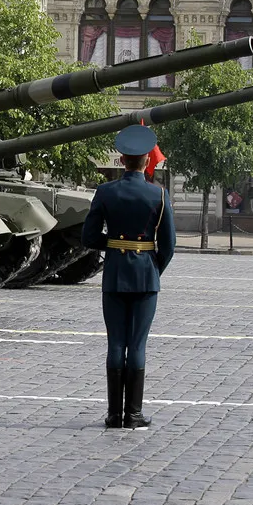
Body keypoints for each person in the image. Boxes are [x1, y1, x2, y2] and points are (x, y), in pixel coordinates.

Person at [81, 125, 176, 430]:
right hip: (146, 275)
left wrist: (113, 246)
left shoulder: (105, 192)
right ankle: (133, 415)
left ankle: (113, 415)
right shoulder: (159, 194)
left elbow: (89, 237)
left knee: (115, 344)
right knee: (137, 345)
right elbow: (169, 245)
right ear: (147, 160)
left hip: (114, 275)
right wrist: (152, 269)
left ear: (122, 160)